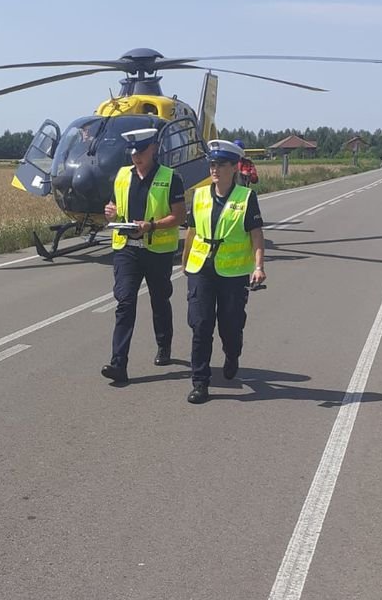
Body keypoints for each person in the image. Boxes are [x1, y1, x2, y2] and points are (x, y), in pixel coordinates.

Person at [181, 139, 266, 404]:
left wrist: (259, 267)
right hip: (202, 269)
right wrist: (184, 262)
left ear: (234, 167)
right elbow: (192, 232)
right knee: (201, 325)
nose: (215, 169)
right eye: (212, 164)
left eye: (221, 164)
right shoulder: (200, 195)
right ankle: (200, 382)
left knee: (230, 326)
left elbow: (256, 235)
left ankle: (232, 354)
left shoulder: (246, 198)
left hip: (233, 273)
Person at [102, 128, 187, 383]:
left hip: (157, 250)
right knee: (125, 302)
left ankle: (164, 345)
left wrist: (151, 226)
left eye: (140, 151)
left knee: (160, 301)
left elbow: (179, 216)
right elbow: (114, 207)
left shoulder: (170, 178)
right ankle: (119, 364)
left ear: (153, 149)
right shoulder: (121, 176)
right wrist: (111, 212)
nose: (136, 157)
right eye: (132, 152)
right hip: (126, 248)